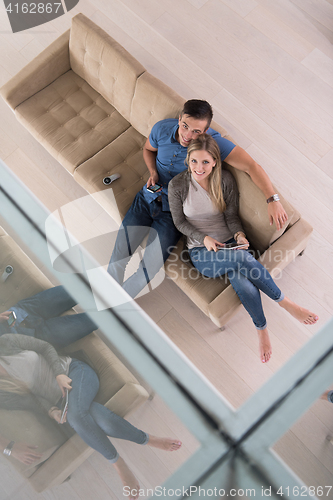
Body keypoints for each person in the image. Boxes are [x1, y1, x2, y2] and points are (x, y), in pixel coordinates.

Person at [107, 99, 288, 299]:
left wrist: (273, 200)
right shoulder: (161, 129)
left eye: (197, 131)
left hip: (171, 215)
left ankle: (111, 307)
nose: (188, 135)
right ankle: (103, 296)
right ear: (179, 119)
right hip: (146, 198)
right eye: (185, 126)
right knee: (119, 256)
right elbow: (148, 149)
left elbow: (251, 166)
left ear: (206, 131)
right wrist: (153, 172)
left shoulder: (210, 145)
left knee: (147, 270)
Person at [168, 134, 318, 363]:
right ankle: (285, 303)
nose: (199, 168)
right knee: (240, 260)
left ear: (215, 162)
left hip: (229, 243)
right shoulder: (177, 185)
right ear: (187, 160)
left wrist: (238, 235)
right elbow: (179, 222)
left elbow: (230, 215)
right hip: (202, 252)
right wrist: (204, 238)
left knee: (242, 283)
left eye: (205, 162)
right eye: (194, 161)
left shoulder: (225, 180)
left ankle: (262, 329)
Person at [0, 334, 182, 497]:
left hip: (74, 372)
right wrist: (53, 411)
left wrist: (59, 374)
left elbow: (45, 347)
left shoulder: (6, 342)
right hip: (62, 403)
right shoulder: (3, 392)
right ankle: (147, 439)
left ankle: (119, 465)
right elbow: (33, 401)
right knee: (99, 417)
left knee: (76, 417)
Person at [0, 286, 97, 349]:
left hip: (24, 311)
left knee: (81, 285)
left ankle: (111, 272)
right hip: (36, 340)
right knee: (97, 319)